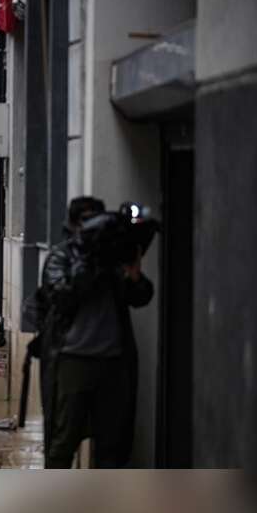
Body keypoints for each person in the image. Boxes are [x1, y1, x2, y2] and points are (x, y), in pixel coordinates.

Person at [38, 196, 153, 468]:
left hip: (113, 362)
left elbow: (141, 296)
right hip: (72, 360)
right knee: (62, 441)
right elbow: (61, 295)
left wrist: (134, 274)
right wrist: (88, 261)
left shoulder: (113, 256)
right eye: (87, 222)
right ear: (75, 225)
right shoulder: (62, 256)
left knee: (112, 445)